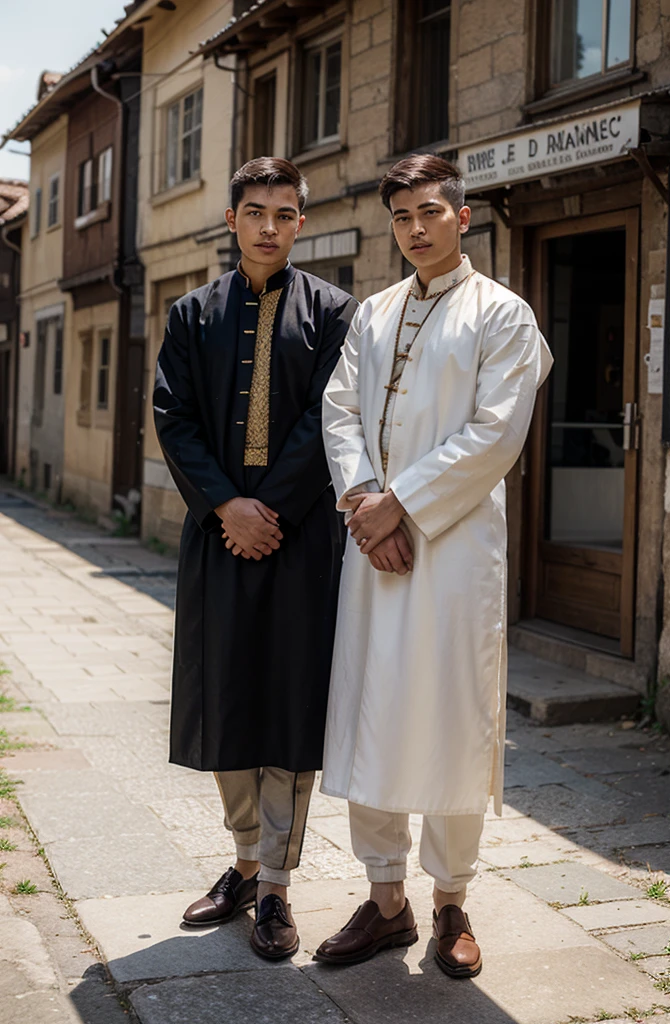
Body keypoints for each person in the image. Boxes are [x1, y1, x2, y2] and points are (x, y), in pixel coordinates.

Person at [316, 154, 552, 976]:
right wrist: (363, 504)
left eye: (430, 213)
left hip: (453, 554)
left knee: (453, 716)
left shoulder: (504, 316)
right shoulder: (374, 314)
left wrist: (401, 503)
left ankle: (453, 901)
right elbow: (338, 408)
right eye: (402, 218)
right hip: (373, 546)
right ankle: (386, 903)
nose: (415, 229)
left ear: (462, 215)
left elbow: (495, 435)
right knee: (372, 708)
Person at [153, 157, 357, 960]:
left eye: (283, 212)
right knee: (225, 698)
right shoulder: (191, 315)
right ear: (231, 220)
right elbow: (174, 419)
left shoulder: (335, 313)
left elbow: (328, 420)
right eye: (254, 211)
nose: (268, 225)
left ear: (300, 223)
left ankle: (275, 884)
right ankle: (241, 862)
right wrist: (227, 508)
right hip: (217, 537)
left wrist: (270, 511)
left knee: (289, 705)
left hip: (301, 539)